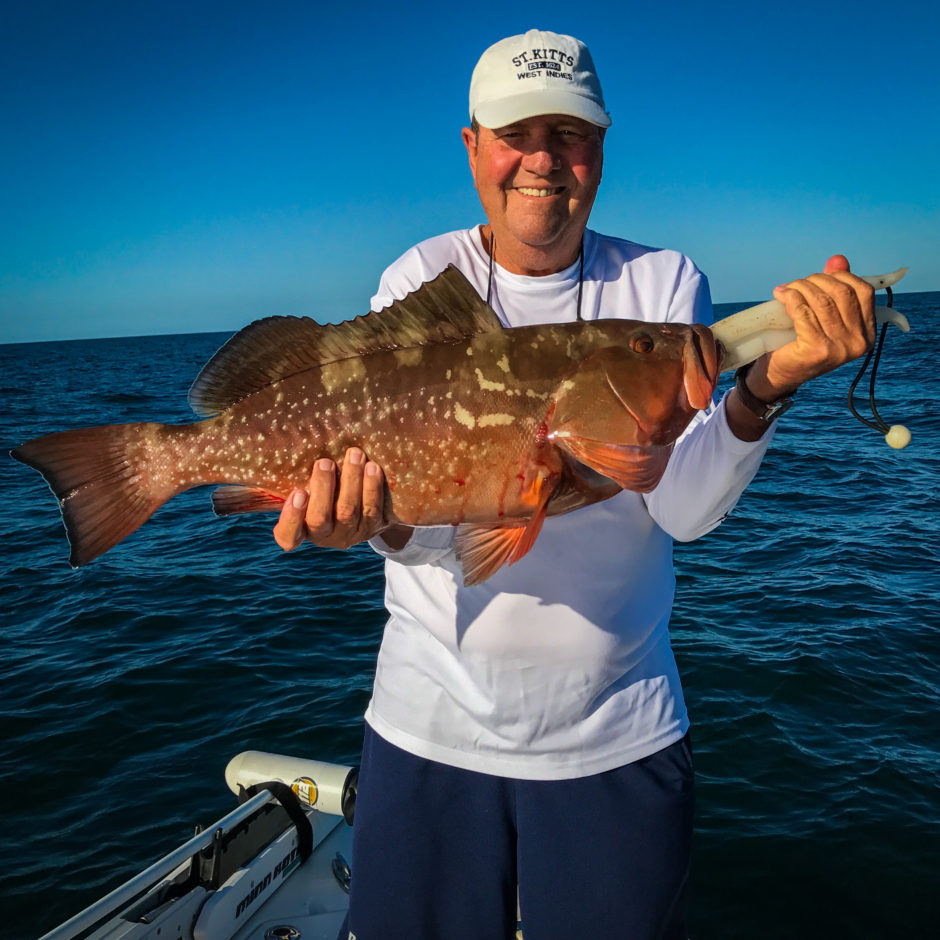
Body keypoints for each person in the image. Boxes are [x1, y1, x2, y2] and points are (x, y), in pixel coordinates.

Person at [273, 29, 876, 940]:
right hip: (426, 729)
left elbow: (679, 505)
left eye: (571, 134)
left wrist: (764, 386)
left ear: (601, 150)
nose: (543, 160)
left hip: (617, 737)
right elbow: (430, 531)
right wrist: (368, 524)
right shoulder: (419, 277)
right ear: (474, 145)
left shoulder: (664, 285)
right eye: (518, 133)